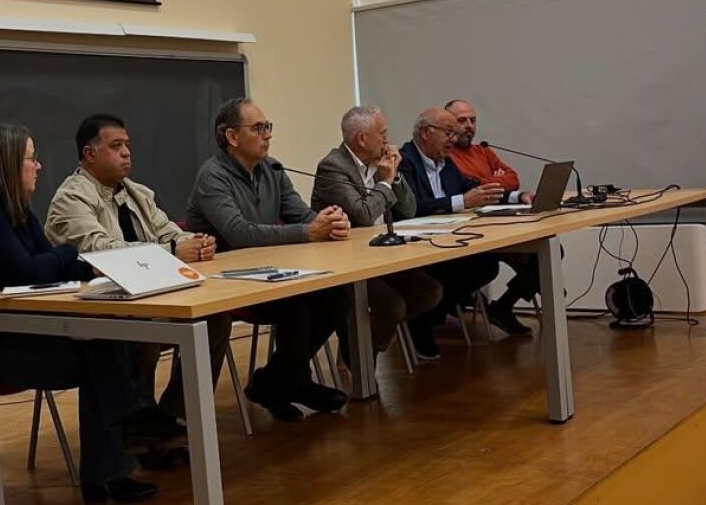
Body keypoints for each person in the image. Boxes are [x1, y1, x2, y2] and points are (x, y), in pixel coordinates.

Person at [0, 122, 180, 502]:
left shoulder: (18, 213)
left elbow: (52, 264)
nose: (38, 166)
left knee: (105, 341)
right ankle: (124, 440)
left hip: (28, 333)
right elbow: (26, 272)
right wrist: (68, 254)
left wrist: (82, 264)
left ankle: (117, 456)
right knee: (102, 350)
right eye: (31, 158)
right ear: (7, 164)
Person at [45, 114, 230, 464]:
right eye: (116, 146)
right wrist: (173, 251)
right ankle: (139, 425)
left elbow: (169, 232)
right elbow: (99, 249)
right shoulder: (71, 198)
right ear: (89, 154)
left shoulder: (138, 193)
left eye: (127, 145)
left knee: (215, 319)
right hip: (98, 309)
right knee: (145, 327)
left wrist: (196, 242)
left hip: (148, 295)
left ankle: (172, 419)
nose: (127, 153)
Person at [185, 98, 351, 422]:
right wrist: (310, 231)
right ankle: (288, 382)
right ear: (232, 136)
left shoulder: (272, 168)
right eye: (259, 128)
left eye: (268, 127)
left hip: (268, 273)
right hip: (226, 283)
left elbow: (300, 214)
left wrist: (330, 221)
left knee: (337, 294)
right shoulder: (212, 176)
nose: (268, 135)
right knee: (299, 301)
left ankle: (277, 380)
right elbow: (240, 234)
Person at [309, 105, 442, 360]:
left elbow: (409, 209)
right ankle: (361, 357)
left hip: (380, 256)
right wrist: (385, 182)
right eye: (382, 134)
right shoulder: (333, 167)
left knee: (430, 291)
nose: (387, 141)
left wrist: (395, 177)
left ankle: (363, 343)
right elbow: (363, 216)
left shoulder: (379, 163)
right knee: (392, 306)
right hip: (348, 264)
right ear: (362, 139)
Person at [396, 108, 514, 359]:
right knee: (440, 272)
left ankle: (435, 313)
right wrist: (462, 201)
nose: (454, 138)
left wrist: (516, 197)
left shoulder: (446, 162)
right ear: (426, 133)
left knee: (485, 265)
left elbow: (473, 188)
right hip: (416, 244)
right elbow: (412, 207)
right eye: (448, 132)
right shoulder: (404, 161)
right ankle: (420, 323)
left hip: (448, 237)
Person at [445, 99, 541, 336]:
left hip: (499, 224)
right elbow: (467, 187)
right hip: (472, 233)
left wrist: (486, 183)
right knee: (535, 265)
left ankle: (503, 306)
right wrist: (492, 181)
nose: (469, 125)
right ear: (448, 124)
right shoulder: (446, 156)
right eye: (462, 120)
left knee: (547, 251)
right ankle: (535, 290)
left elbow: (512, 178)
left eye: (473, 120)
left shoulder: (483, 150)